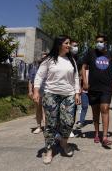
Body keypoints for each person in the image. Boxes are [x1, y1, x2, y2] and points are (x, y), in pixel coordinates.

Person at [33, 35, 81, 164]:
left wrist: (77, 93)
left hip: (68, 95)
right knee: (50, 124)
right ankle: (49, 150)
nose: (69, 46)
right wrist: (36, 91)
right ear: (59, 44)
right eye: (67, 43)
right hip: (51, 94)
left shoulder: (72, 60)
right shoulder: (49, 59)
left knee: (68, 121)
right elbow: (39, 75)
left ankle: (64, 143)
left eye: (70, 43)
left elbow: (76, 77)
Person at [82, 34, 112, 148]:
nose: (99, 43)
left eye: (101, 41)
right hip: (93, 87)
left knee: (105, 109)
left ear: (105, 43)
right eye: (97, 41)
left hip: (106, 88)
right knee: (95, 112)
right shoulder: (90, 53)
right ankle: (96, 133)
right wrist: (84, 81)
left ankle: (104, 136)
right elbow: (83, 66)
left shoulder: (110, 54)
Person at [28, 57, 45, 134]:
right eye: (42, 59)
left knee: (46, 110)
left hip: (47, 92)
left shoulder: (50, 68)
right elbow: (31, 80)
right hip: (37, 92)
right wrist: (30, 91)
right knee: (38, 109)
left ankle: (47, 127)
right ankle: (39, 127)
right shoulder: (34, 68)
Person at [76, 65, 89, 129]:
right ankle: (81, 121)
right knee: (84, 106)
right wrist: (80, 89)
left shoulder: (94, 70)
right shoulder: (82, 71)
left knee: (95, 107)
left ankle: (95, 120)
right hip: (84, 91)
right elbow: (80, 81)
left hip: (93, 91)